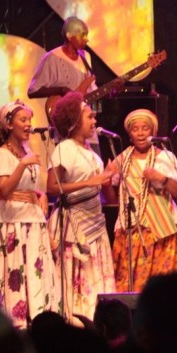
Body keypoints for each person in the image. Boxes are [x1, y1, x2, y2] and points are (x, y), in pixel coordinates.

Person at [0, 99, 62, 328]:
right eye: (23, 120)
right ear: (9, 124)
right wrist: (22, 165)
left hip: (33, 219)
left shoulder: (27, 150)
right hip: (14, 221)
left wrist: (40, 194)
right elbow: (4, 189)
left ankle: (39, 317)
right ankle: (17, 321)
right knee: (17, 271)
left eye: (30, 120)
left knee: (35, 270)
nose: (29, 124)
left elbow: (29, 186)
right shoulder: (3, 153)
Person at [46, 91, 118, 320]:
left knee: (96, 277)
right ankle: (75, 321)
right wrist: (89, 182)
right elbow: (52, 187)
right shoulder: (64, 148)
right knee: (77, 278)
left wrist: (108, 178)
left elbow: (105, 193)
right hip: (74, 224)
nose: (95, 120)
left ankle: (97, 321)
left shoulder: (91, 152)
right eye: (90, 116)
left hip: (95, 223)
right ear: (75, 120)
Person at [113, 109, 177, 292]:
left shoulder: (164, 157)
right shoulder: (121, 159)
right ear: (130, 134)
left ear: (153, 132)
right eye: (135, 129)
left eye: (145, 128)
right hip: (132, 232)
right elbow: (112, 197)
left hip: (164, 231)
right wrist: (107, 179)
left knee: (166, 289)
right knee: (131, 287)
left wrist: (162, 179)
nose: (140, 133)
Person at [27, 16, 98, 113]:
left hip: (83, 113)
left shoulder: (86, 56)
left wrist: (108, 91)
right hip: (63, 113)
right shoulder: (52, 58)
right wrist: (61, 90)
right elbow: (33, 91)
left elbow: (91, 89)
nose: (86, 39)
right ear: (69, 36)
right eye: (82, 35)